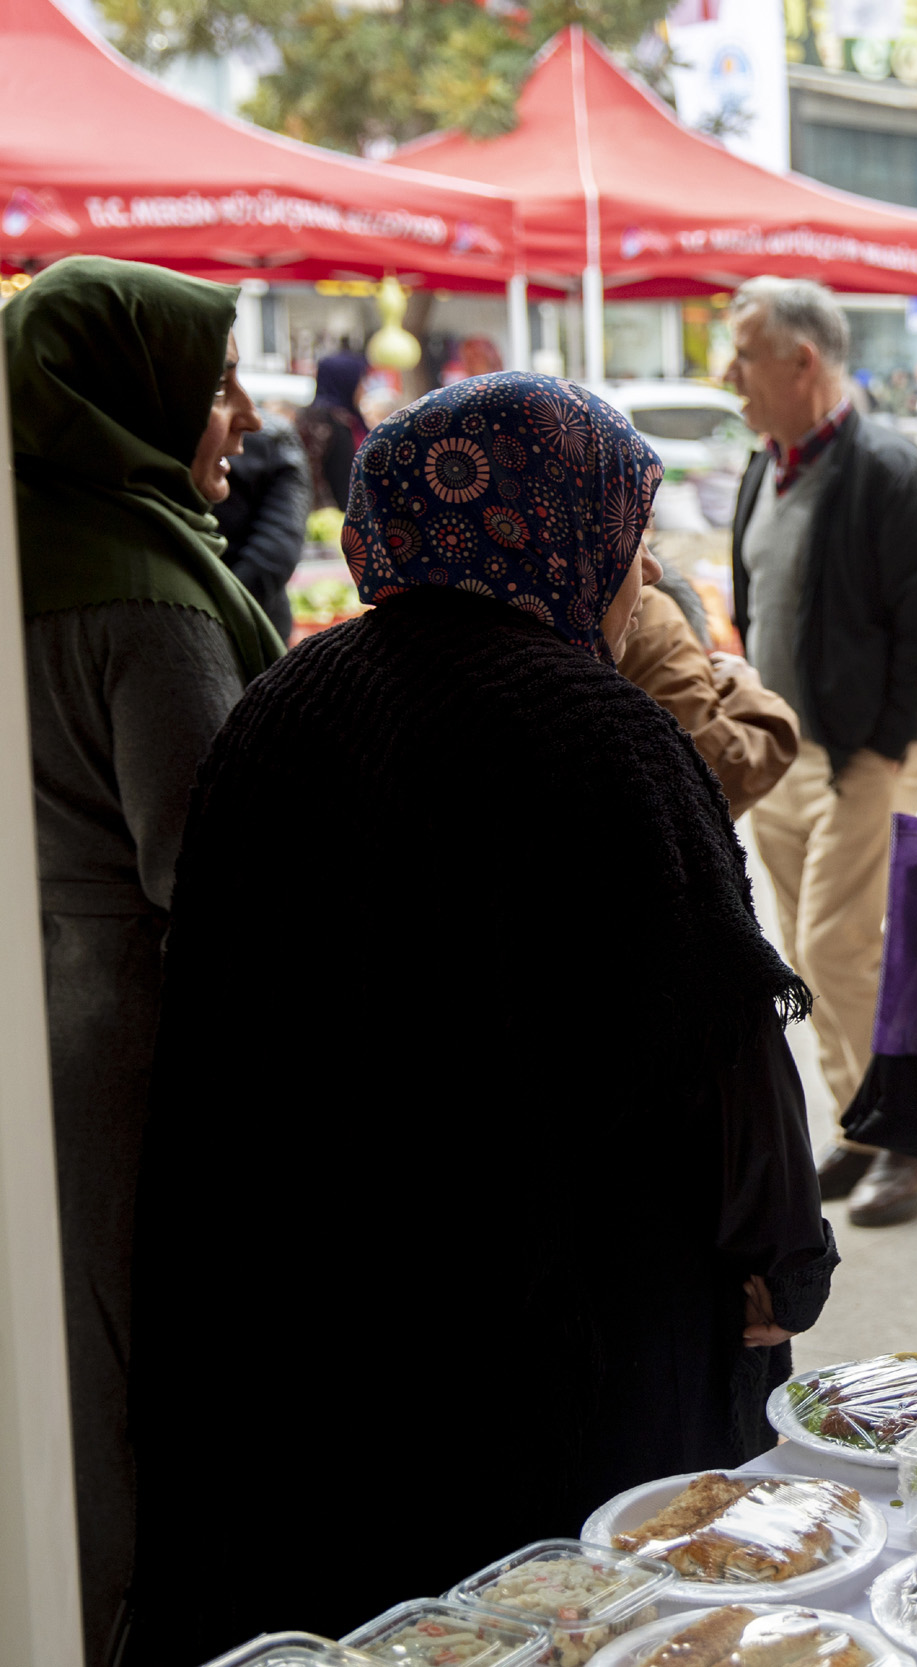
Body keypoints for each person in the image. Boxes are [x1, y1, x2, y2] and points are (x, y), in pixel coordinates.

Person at [127, 373, 834, 1664]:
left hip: (319, 1321)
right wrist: (782, 1263)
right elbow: (722, 1048)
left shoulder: (282, 708)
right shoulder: (600, 729)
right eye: (630, 547)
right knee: (567, 1617)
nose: (637, 584)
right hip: (558, 1342)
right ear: (570, 530)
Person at [7, 257, 284, 1667]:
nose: (235, 415)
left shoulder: (31, 543)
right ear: (132, 397)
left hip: (39, 1007)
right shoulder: (145, 596)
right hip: (127, 1039)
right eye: (213, 383)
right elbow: (207, 867)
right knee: (123, 1375)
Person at [723, 278, 917, 1225]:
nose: (729, 375)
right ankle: (865, 1124)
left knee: (837, 941)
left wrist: (886, 745)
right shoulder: (762, 464)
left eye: (743, 356)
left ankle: (915, 1136)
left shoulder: (892, 471)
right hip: (785, 750)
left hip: (868, 752)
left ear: (801, 361)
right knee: (812, 953)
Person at [616, 552, 801, 818]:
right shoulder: (652, 613)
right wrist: (743, 686)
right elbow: (720, 769)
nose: (652, 566)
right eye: (637, 532)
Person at [209, 422, 311, 637]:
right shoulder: (272, 437)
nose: (251, 416)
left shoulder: (271, 438)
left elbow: (275, 549)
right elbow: (277, 550)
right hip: (255, 615)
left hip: (245, 613)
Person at [293, 349, 367, 511]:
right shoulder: (328, 422)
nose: (364, 388)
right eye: (361, 381)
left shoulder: (348, 419)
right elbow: (340, 480)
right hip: (328, 517)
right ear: (346, 381)